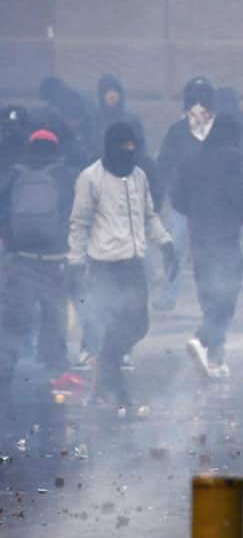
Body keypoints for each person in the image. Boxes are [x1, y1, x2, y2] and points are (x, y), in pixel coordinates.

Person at [68, 123, 177, 406]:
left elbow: (149, 216)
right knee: (111, 322)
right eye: (122, 147)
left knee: (138, 324)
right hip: (104, 267)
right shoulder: (90, 178)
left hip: (134, 264)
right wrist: (76, 263)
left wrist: (166, 244)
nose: (128, 152)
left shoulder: (139, 176)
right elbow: (79, 224)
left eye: (132, 147)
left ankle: (105, 368)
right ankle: (113, 388)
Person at [0, 129, 79, 394]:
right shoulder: (64, 175)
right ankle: (57, 372)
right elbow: (74, 215)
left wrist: (11, 247)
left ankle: (4, 370)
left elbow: (3, 216)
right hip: (55, 261)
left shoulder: (14, 175)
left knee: (14, 320)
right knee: (54, 318)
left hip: (21, 261)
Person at [173, 115, 243, 379]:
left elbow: (177, 200)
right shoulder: (234, 158)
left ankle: (215, 359)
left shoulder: (192, 158)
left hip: (199, 238)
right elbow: (240, 196)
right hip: (226, 238)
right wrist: (240, 218)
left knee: (208, 295)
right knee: (227, 295)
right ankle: (203, 339)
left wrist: (197, 213)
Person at [154, 77, 215, 311]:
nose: (199, 107)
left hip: (210, 205)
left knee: (209, 253)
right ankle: (169, 296)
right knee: (176, 251)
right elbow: (164, 164)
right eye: (194, 101)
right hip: (181, 203)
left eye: (204, 102)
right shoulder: (177, 131)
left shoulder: (219, 131)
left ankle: (211, 299)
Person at [93, 75, 144, 161]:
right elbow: (91, 148)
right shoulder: (94, 120)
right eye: (107, 91)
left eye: (115, 91)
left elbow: (140, 147)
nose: (112, 95)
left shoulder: (131, 121)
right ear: (102, 95)